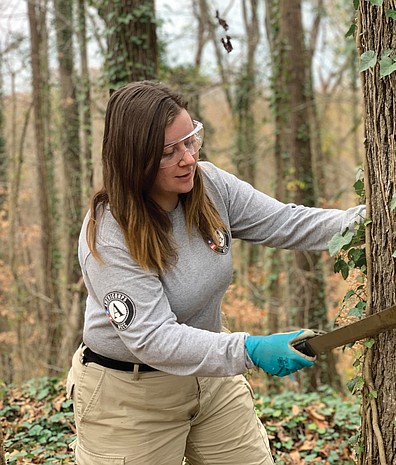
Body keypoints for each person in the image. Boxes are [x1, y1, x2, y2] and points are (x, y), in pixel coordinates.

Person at [66, 80, 365, 465]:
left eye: (190, 140)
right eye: (168, 152)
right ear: (134, 159)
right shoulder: (109, 233)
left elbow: (285, 222)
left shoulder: (210, 186)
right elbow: (153, 338)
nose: (188, 158)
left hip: (210, 378)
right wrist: (249, 349)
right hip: (130, 397)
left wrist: (373, 222)